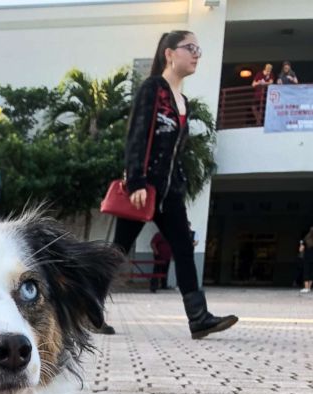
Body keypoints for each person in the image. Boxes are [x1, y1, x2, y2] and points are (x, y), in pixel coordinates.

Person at [101, 31, 237, 339]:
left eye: (198, 49)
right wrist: (135, 180)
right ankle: (89, 310)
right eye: (190, 48)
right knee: (118, 251)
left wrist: (179, 186)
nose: (197, 54)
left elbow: (176, 152)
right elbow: (137, 134)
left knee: (184, 249)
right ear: (169, 54)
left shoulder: (182, 101)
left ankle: (199, 318)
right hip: (143, 189)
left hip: (169, 192)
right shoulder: (153, 90)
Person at [299, 227, 313, 294]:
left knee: (306, 272)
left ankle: (306, 288)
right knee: (311, 273)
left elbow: (301, 250)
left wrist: (301, 244)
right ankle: (309, 288)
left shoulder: (306, 240)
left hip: (307, 258)